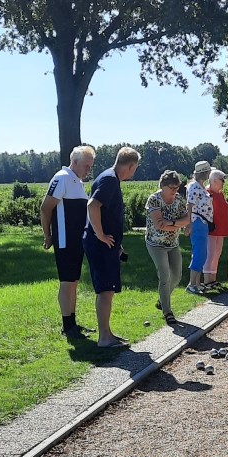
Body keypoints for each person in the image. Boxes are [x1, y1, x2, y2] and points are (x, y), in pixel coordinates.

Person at [83, 146, 140, 348]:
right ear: (130, 166)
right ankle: (104, 339)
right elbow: (92, 205)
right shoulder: (109, 179)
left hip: (107, 243)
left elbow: (108, 214)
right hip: (99, 244)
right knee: (105, 290)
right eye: (135, 168)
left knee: (108, 289)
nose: (134, 172)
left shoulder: (111, 178)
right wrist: (100, 234)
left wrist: (118, 245)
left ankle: (107, 333)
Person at [40, 144, 96, 338]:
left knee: (73, 282)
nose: (88, 170)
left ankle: (72, 324)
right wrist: (48, 236)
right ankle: (67, 326)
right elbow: (45, 208)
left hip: (77, 241)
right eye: (86, 166)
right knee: (67, 282)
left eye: (90, 166)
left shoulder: (77, 182)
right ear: (75, 162)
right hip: (64, 240)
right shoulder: (62, 178)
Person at [145, 170, 191, 327]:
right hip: (156, 244)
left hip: (173, 243)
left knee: (177, 276)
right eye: (171, 187)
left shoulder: (178, 199)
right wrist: (178, 224)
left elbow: (187, 219)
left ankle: (162, 299)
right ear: (163, 186)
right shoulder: (154, 200)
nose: (175, 190)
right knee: (164, 275)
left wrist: (171, 223)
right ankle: (167, 311)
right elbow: (159, 225)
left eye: (177, 187)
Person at [185, 161, 214, 294]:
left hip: (203, 222)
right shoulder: (194, 187)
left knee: (202, 253)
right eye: (208, 171)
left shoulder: (200, 186)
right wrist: (188, 224)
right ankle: (192, 284)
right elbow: (189, 205)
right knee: (199, 253)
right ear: (204, 172)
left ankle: (196, 283)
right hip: (197, 222)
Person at [203, 168, 228, 289]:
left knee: (217, 254)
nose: (224, 182)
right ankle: (207, 281)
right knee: (210, 254)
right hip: (211, 229)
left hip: (220, 229)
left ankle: (213, 279)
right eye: (222, 180)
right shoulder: (207, 193)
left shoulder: (220, 193)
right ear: (214, 180)